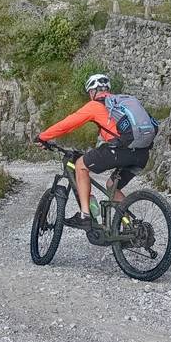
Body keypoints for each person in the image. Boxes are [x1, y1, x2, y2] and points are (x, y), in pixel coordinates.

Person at [36, 73, 150, 229]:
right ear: (107, 89)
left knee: (81, 165)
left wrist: (43, 137)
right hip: (142, 153)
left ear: (92, 92)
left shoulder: (95, 105)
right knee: (112, 186)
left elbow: (67, 124)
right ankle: (132, 228)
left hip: (121, 150)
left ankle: (85, 216)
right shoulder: (121, 104)